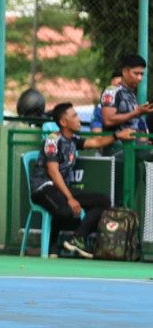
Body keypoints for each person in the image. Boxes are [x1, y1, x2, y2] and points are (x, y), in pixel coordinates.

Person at [30, 102, 134, 257]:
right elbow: (53, 172)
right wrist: (70, 198)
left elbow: (96, 142)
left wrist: (117, 135)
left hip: (60, 190)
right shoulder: (52, 140)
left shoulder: (73, 140)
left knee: (103, 201)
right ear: (63, 122)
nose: (79, 119)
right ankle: (52, 246)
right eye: (74, 116)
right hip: (43, 188)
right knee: (66, 211)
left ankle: (77, 238)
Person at [100, 54, 153, 155]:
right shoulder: (111, 91)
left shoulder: (130, 93)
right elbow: (108, 120)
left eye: (142, 74)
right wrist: (136, 112)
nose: (140, 78)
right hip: (118, 151)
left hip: (133, 150)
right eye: (136, 73)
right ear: (124, 72)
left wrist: (144, 141)